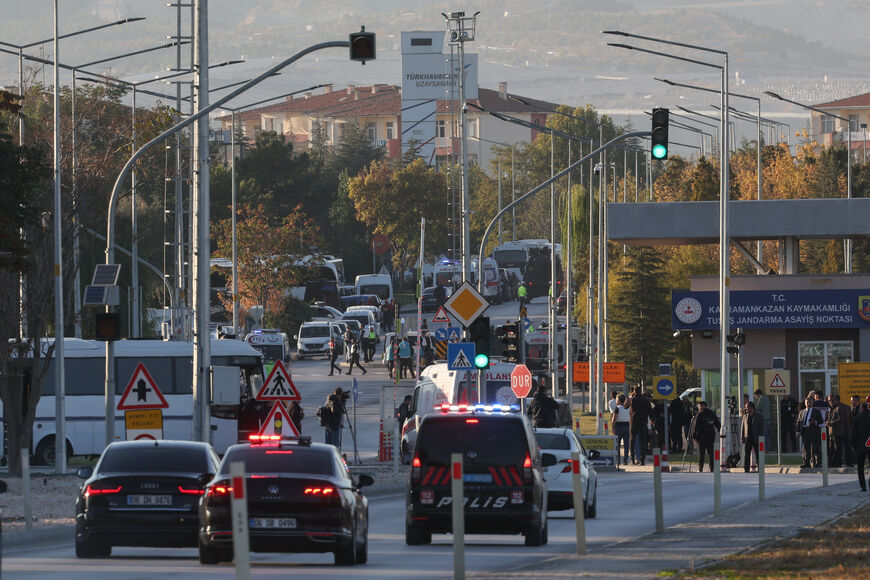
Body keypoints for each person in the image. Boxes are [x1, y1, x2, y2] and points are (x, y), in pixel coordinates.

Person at [689, 401, 721, 472]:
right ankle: (712, 469)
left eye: (699, 406)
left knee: (701, 454)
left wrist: (693, 436)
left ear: (702, 406)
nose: (699, 408)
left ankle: (700, 469)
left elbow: (695, 425)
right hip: (710, 436)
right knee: (711, 454)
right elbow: (718, 424)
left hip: (701, 437)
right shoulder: (712, 413)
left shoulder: (699, 414)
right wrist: (718, 430)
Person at [797, 394, 823, 468]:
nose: (808, 404)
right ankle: (806, 462)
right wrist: (798, 432)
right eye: (807, 402)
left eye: (810, 402)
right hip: (805, 431)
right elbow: (798, 422)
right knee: (806, 448)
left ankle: (818, 462)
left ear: (812, 403)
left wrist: (814, 422)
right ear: (805, 403)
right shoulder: (802, 412)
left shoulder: (816, 411)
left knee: (816, 447)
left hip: (813, 431)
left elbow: (820, 421)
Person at [826, 393, 851, 468]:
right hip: (831, 432)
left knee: (837, 449)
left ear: (836, 400)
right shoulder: (830, 408)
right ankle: (832, 462)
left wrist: (830, 423)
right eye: (829, 400)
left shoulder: (839, 408)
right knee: (831, 449)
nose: (831, 402)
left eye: (832, 400)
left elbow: (841, 419)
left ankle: (838, 463)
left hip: (838, 432)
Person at [850, 396, 870, 491]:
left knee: (860, 467)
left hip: (859, 447)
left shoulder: (857, 419)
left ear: (862, 409)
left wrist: (853, 446)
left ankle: (863, 486)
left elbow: (853, 434)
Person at [629, 387, 652, 465]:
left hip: (634, 422)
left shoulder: (632, 399)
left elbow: (625, 406)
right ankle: (642, 460)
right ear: (641, 391)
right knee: (643, 442)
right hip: (643, 422)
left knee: (632, 441)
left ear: (634, 391)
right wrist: (652, 420)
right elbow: (650, 411)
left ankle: (632, 459)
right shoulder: (645, 400)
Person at [741, 401, 764, 472]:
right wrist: (742, 438)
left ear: (751, 407)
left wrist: (761, 438)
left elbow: (762, 428)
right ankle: (746, 469)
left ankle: (760, 469)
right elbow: (743, 428)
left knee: (758, 455)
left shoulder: (759, 417)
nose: (746, 409)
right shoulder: (745, 416)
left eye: (747, 407)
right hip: (748, 438)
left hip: (756, 439)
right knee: (747, 455)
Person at [612, 394, 631, 466]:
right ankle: (625, 460)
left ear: (619, 400)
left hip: (618, 426)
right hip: (627, 426)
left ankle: (618, 460)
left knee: (617, 445)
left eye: (617, 400)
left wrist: (613, 427)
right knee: (626, 445)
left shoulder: (617, 408)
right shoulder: (628, 408)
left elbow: (614, 419)